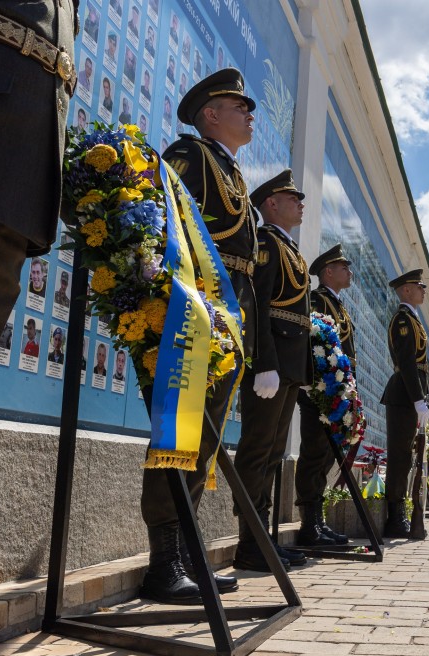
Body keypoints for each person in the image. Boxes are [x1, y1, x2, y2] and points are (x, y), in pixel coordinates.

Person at [137, 69, 260, 603]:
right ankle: (163, 563)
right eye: (240, 106)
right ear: (211, 113)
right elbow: (167, 225)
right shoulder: (188, 156)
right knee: (179, 432)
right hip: (193, 306)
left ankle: (185, 556)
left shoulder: (229, 169)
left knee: (204, 436)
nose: (249, 115)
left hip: (227, 309)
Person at [232, 170, 320, 567]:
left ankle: (262, 538)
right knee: (257, 450)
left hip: (287, 367)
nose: (300, 203)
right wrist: (264, 363)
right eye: (292, 197)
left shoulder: (289, 248)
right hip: (271, 366)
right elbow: (258, 306)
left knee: (272, 452)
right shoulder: (266, 243)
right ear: (271, 203)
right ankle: (250, 544)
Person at [296, 243, 357, 546]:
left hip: (337, 393)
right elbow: (316, 346)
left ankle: (318, 521)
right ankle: (309, 524)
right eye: (344, 267)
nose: (349, 272)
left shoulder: (340, 306)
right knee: (314, 454)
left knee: (325, 457)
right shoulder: (317, 300)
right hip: (319, 393)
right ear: (328, 272)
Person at [380, 268, 429, 538]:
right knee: (399, 457)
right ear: (406, 290)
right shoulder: (402, 320)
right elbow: (408, 364)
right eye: (419, 286)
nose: (423, 290)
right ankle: (394, 516)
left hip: (410, 396)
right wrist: (418, 400)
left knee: (407, 457)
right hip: (403, 396)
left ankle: (400, 511)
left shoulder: (413, 319)